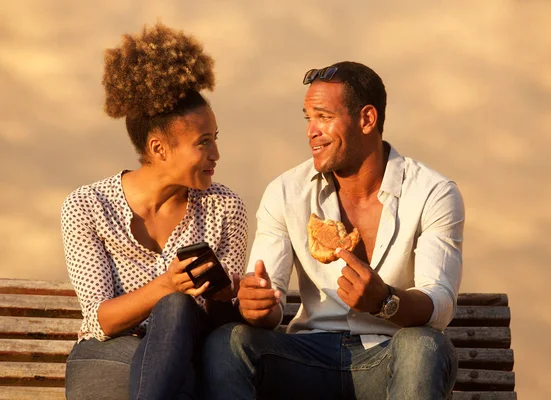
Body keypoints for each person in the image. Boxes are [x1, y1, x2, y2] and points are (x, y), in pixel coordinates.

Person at [201, 61, 465, 399]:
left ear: (367, 119)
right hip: (307, 359)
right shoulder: (286, 192)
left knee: (424, 345)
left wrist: (386, 301)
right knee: (229, 341)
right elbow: (271, 297)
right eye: (308, 118)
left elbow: (439, 303)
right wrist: (260, 306)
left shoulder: (433, 192)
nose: (311, 131)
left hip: (389, 358)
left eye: (324, 117)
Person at [61, 22, 247, 400]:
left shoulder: (225, 207)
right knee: (173, 301)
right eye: (203, 143)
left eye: (216, 139)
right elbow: (100, 320)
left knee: (178, 310)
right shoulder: (87, 206)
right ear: (159, 149)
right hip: (109, 356)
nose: (216, 155)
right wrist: (167, 284)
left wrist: (232, 296)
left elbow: (221, 321)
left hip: (190, 359)